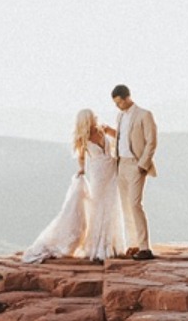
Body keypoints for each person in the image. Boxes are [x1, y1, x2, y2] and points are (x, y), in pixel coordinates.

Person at [22, 109, 125, 263]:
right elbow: (81, 157)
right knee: (98, 207)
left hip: (111, 171)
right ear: (86, 120)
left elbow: (120, 137)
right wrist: (82, 170)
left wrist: (111, 130)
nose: (95, 118)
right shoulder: (82, 138)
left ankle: (112, 245)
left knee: (112, 205)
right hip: (98, 174)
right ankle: (98, 247)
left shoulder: (102, 129)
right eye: (92, 117)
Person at [111, 84, 157, 261]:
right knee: (126, 206)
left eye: (119, 102)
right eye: (115, 103)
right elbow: (122, 138)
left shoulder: (144, 115)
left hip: (136, 165)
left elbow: (151, 141)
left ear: (127, 98)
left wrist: (142, 165)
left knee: (135, 204)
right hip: (121, 164)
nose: (118, 106)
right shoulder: (120, 116)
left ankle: (145, 248)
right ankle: (134, 244)